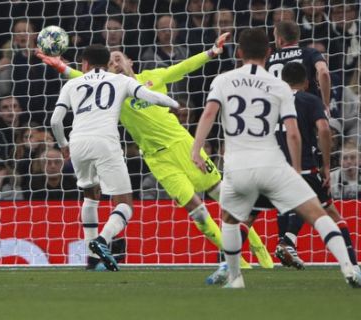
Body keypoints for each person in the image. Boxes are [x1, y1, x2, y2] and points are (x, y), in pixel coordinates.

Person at [37, 33, 273, 270]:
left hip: (183, 146)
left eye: (118, 60)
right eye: (110, 63)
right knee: (198, 213)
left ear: (131, 61)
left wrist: (211, 52)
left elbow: (183, 67)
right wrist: (60, 66)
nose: (115, 65)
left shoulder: (152, 77)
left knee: (226, 200)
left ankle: (261, 253)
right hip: (157, 159)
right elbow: (83, 78)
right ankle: (237, 261)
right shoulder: (114, 88)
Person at [191, 28, 361, 288]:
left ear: (239, 52)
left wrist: (196, 150)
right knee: (319, 214)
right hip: (272, 163)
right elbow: (293, 133)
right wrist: (294, 169)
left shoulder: (223, 80)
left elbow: (208, 115)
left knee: (229, 219)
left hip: (237, 167)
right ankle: (350, 270)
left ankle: (234, 277)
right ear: (269, 52)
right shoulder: (279, 86)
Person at [50, 44, 179, 271]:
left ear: (85, 64)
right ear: (105, 63)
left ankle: (91, 258)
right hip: (105, 142)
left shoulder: (72, 83)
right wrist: (173, 103)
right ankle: (102, 240)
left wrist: (63, 146)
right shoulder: (121, 80)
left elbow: (55, 121)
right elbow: (148, 96)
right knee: (125, 204)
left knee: (90, 195)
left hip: (78, 142)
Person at [273, 62, 359, 271]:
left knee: (248, 215)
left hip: (273, 168)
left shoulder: (271, 101)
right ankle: (353, 266)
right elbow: (324, 129)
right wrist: (327, 164)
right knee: (330, 212)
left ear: (282, 81)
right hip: (302, 165)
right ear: (306, 82)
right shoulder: (310, 100)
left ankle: (227, 263)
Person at [266, 20, 331, 114]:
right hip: (307, 108)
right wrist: (326, 104)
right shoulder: (310, 53)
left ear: (280, 40)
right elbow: (324, 72)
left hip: (279, 111)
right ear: (298, 38)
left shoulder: (269, 59)